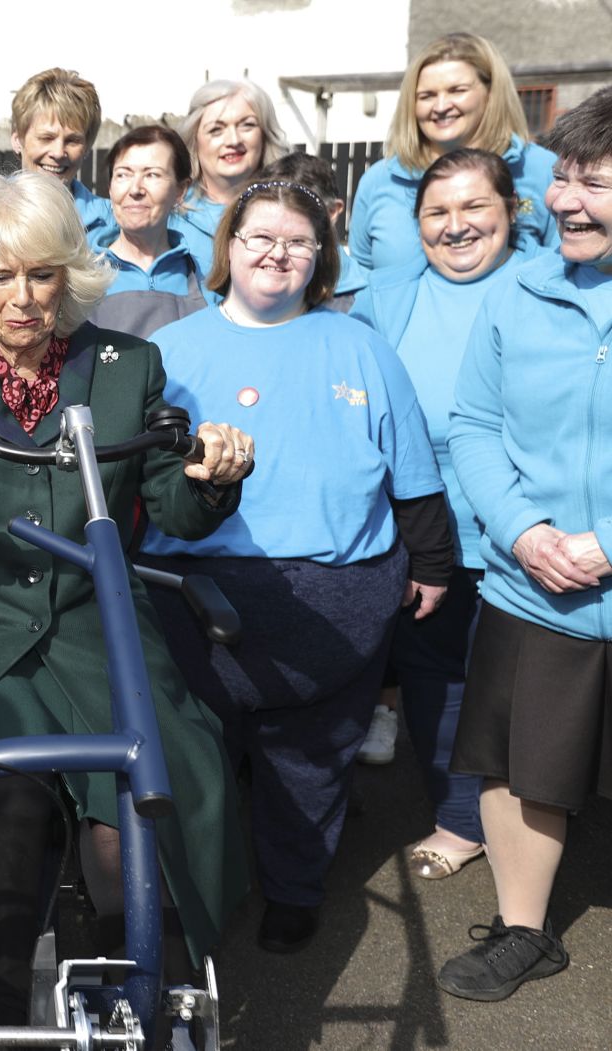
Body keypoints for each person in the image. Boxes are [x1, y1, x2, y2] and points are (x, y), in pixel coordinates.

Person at [0, 170, 253, 1024]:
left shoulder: (127, 364)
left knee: (134, 806)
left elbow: (174, 502)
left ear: (70, 271)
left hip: (98, 626)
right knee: (4, 801)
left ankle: (139, 1005)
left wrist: (211, 475)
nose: (20, 298)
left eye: (40, 274)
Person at [139, 180, 452, 954]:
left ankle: (294, 887)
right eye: (259, 238)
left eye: (298, 242)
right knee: (197, 759)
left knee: (310, 762)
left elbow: (412, 473)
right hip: (190, 596)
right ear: (228, 249)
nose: (277, 253)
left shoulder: (361, 345)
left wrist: (434, 562)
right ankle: (194, 893)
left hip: (332, 599)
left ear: (322, 257)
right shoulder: (169, 352)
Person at [436, 85, 612, 1002]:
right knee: (514, 764)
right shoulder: (519, 292)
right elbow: (472, 425)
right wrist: (524, 530)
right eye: (564, 178)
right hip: (532, 583)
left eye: (597, 183)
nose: (566, 201)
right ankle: (523, 929)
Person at [349, 148, 537, 880]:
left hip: (528, 532)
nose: (456, 227)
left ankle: (533, 819)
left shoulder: (545, 287)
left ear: (511, 212)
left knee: (528, 690)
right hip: (427, 535)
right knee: (438, 678)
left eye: (474, 208)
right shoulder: (387, 297)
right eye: (437, 212)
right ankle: (460, 816)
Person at [350, 32, 558, 271]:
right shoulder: (380, 180)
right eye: (427, 96)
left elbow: (568, 268)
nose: (440, 106)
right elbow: (361, 280)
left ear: (490, 93)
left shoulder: (539, 169)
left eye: (457, 90)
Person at [90, 124, 215, 337]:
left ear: (180, 191)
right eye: (123, 175)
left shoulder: (209, 279)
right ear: (110, 188)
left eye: (152, 175)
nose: (135, 189)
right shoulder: (82, 277)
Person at [172, 79, 291, 271]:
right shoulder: (167, 212)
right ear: (194, 138)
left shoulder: (294, 210)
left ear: (265, 135)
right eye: (216, 130)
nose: (233, 140)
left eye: (247, 125)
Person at [259, 151, 369, 311]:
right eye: (270, 214)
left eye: (299, 212)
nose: (282, 224)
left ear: (332, 211)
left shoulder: (370, 299)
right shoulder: (244, 286)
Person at [9, 67, 114, 233]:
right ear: (17, 140)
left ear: (87, 146)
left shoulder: (112, 222)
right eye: (46, 138)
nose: (58, 153)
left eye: (72, 141)